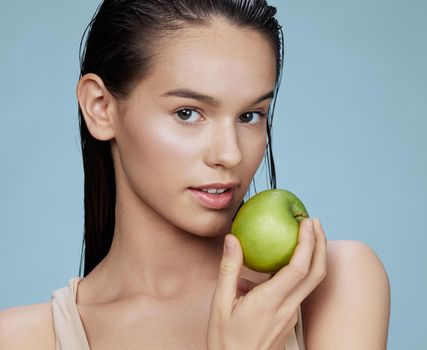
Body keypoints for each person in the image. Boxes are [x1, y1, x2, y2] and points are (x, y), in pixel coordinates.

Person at [0, 0, 390, 349]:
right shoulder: (20, 338)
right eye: (188, 113)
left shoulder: (333, 285)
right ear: (100, 107)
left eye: (249, 116)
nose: (230, 153)